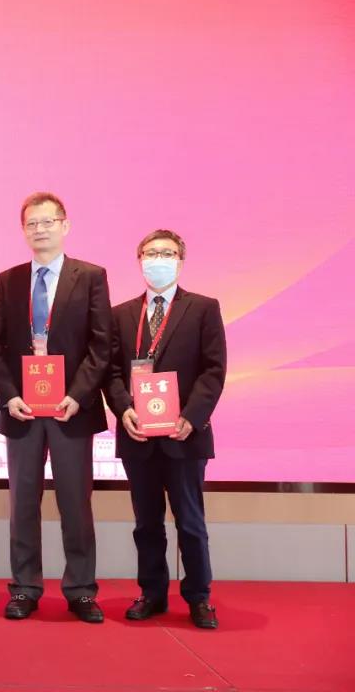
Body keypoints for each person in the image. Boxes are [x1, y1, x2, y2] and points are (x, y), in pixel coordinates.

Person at [0, 191, 112, 623]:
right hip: (22, 410)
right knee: (23, 503)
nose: (39, 230)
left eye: (47, 222)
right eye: (32, 223)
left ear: (64, 225)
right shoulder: (8, 280)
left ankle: (81, 590)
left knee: (75, 503)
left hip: (70, 410)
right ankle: (25, 587)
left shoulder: (91, 276)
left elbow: (101, 345)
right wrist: (10, 396)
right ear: (23, 230)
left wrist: (77, 395)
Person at [105, 229, 225, 629]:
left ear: (181, 260)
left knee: (190, 521)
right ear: (139, 260)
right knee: (146, 523)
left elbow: (213, 369)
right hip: (138, 435)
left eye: (167, 253)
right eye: (151, 253)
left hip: (184, 435)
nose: (158, 259)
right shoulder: (121, 314)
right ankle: (152, 593)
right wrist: (123, 409)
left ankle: (199, 597)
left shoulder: (203, 308)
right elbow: (112, 372)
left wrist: (192, 415)